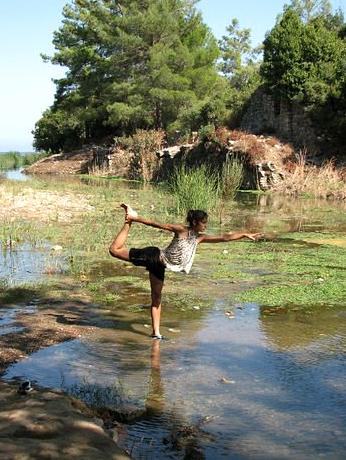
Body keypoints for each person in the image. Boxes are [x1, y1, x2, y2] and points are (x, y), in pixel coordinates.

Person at [109, 203, 261, 340]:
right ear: (195, 222)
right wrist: (136, 218)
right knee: (114, 250)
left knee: (156, 298)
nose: (205, 226)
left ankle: (156, 332)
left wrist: (244, 234)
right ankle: (128, 221)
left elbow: (224, 237)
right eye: (204, 223)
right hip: (153, 257)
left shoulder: (198, 238)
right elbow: (157, 224)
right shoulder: (181, 230)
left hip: (160, 266)